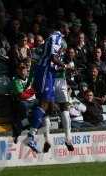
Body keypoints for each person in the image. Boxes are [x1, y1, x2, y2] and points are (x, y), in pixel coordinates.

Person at [27, 21, 70, 153]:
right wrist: (65, 66)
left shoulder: (52, 39)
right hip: (45, 71)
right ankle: (31, 135)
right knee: (44, 103)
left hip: (47, 73)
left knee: (50, 107)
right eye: (67, 28)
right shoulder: (57, 38)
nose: (69, 31)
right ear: (63, 28)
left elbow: (40, 54)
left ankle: (45, 137)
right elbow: (52, 58)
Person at [11, 62, 36, 144]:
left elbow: (36, 89)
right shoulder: (16, 81)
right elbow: (21, 95)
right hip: (24, 102)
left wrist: (29, 92)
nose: (22, 71)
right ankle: (24, 126)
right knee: (23, 105)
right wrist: (32, 91)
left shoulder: (31, 79)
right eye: (20, 69)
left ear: (26, 70)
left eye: (24, 69)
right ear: (17, 70)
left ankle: (24, 125)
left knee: (44, 104)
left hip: (34, 100)